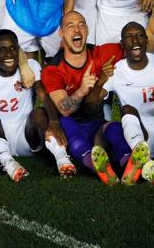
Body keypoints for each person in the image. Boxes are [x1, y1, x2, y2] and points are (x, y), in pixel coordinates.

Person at [0, 29, 76, 181]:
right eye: (2, 49)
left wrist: (54, 122)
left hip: (26, 134)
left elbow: (43, 95)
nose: (9, 54)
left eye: (13, 48)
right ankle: (9, 163)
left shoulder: (30, 65)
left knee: (39, 112)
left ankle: (62, 158)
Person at [42, 11, 146, 186]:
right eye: (70, 26)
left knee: (114, 128)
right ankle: (94, 163)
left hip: (97, 124)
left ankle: (129, 163)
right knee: (68, 124)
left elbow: (135, 45)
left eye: (81, 24)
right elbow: (64, 109)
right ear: (61, 33)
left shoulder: (102, 53)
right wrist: (82, 90)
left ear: (87, 30)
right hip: (71, 128)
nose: (77, 29)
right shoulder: (53, 69)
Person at [103, 22, 154, 183]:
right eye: (129, 37)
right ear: (122, 44)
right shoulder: (116, 70)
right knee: (127, 108)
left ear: (147, 40)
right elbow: (92, 103)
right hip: (139, 133)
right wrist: (98, 82)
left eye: (140, 35)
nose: (135, 40)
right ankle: (144, 160)